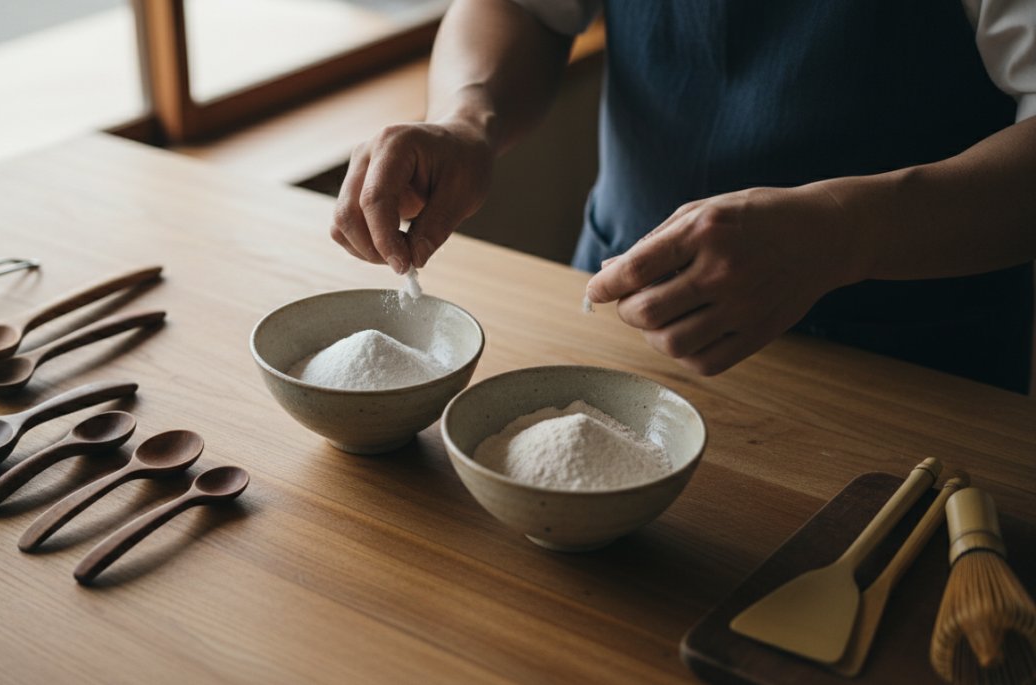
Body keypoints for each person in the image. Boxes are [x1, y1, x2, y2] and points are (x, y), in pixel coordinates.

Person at [329, 0, 1036, 393]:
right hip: (618, 319)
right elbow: (528, 9)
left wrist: (844, 230)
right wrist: (466, 116)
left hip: (913, 366)